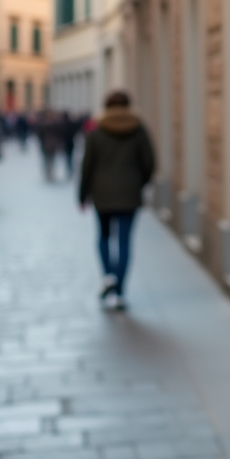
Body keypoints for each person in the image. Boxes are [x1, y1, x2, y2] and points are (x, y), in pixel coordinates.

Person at [78, 91, 155, 310]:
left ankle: (108, 275)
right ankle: (120, 291)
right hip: (129, 194)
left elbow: (87, 166)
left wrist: (82, 195)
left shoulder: (97, 131)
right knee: (124, 241)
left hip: (102, 195)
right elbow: (149, 162)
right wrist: (139, 183)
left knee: (103, 236)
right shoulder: (138, 130)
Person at [36, 110, 65, 181]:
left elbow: (40, 135)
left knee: (47, 159)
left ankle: (48, 173)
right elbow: (60, 135)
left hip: (46, 145)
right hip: (52, 144)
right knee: (51, 159)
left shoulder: (43, 124)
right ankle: (50, 173)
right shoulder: (56, 124)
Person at [61, 110, 79, 179]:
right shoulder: (71, 123)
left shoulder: (62, 124)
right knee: (70, 156)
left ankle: (69, 168)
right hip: (70, 142)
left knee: (68, 156)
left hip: (66, 142)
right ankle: (70, 168)